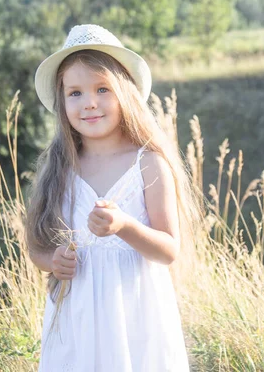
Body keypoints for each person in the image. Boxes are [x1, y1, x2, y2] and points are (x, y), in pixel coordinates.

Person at [25, 24, 201, 371]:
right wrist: (53, 261)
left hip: (137, 315)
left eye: (102, 89)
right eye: (75, 93)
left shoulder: (148, 163)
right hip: (77, 320)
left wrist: (125, 226)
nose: (89, 103)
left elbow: (168, 249)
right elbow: (36, 247)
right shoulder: (59, 169)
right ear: (62, 101)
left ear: (125, 93)